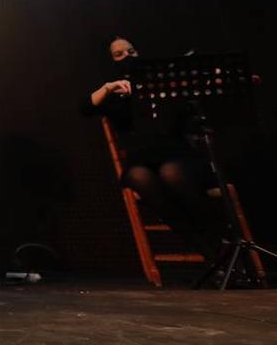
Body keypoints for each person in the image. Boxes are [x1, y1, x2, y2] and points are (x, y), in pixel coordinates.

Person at [80, 36, 215, 251]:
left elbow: (191, 106)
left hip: (175, 153)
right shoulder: (113, 94)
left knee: (172, 173)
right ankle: (205, 248)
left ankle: (215, 237)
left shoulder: (159, 82)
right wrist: (108, 88)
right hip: (142, 158)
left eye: (131, 51)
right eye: (119, 54)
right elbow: (85, 108)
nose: (127, 56)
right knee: (138, 177)